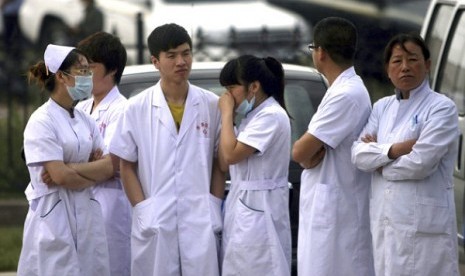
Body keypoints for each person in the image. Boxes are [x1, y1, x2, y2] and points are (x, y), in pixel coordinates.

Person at [109, 23, 224, 276]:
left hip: (200, 219)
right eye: (171, 56)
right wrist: (143, 209)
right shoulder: (136, 108)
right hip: (156, 219)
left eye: (186, 53)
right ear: (155, 61)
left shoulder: (211, 105)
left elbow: (218, 162)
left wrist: (214, 204)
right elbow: (126, 165)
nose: (181, 61)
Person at [352, 33, 460, 275]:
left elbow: (420, 163)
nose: (405, 67)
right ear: (388, 69)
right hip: (386, 222)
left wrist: (378, 161)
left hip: (424, 227)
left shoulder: (441, 108)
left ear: (428, 65)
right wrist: (396, 149)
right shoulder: (381, 107)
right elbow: (358, 155)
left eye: (413, 60)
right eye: (397, 61)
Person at [18, 44, 114, 275]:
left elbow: (110, 167)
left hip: (86, 214)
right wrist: (90, 171)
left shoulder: (85, 119)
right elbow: (60, 177)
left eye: (88, 71)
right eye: (82, 71)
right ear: (61, 76)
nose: (88, 77)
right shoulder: (42, 121)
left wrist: (70, 168)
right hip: (54, 216)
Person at [292, 17, 375, 276]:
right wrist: (310, 152)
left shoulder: (345, 95)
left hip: (339, 210)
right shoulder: (340, 89)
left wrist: (309, 152)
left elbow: (299, 152)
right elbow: (308, 154)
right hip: (330, 204)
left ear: (320, 52)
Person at [218, 55, 292, 275]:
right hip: (244, 204)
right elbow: (223, 162)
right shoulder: (251, 117)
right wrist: (230, 121)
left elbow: (230, 155)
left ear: (254, 87)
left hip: (260, 207)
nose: (227, 95)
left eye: (232, 87)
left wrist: (225, 113)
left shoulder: (271, 116)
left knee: (259, 266)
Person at [76, 31, 131, 276]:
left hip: (111, 207)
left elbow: (111, 166)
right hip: (82, 202)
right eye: (82, 67)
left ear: (112, 70)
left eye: (91, 67)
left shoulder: (122, 110)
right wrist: (88, 162)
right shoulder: (81, 107)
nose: (84, 74)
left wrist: (63, 169)